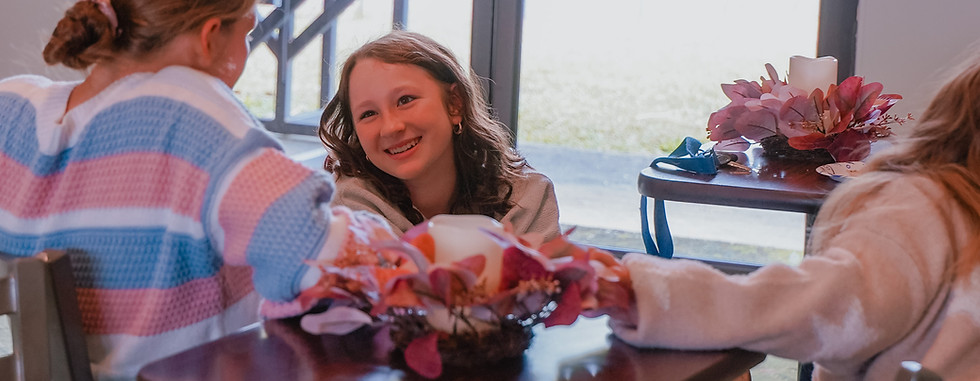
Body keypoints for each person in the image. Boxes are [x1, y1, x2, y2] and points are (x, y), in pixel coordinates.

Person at [0, 0, 394, 379]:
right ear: (209, 38)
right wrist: (385, 242)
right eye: (248, 33)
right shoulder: (186, 107)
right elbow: (322, 258)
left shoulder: (11, 106)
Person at [607, 56, 980, 380]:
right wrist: (647, 295)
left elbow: (822, 308)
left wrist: (648, 294)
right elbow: (823, 303)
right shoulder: (931, 212)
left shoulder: (927, 208)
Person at [318, 31, 561, 240]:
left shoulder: (526, 196)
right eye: (368, 114)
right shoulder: (348, 205)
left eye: (405, 100)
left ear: (455, 103)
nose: (390, 127)